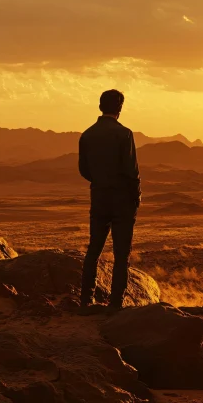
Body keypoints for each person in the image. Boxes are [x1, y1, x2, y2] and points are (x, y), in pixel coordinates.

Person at [78, 89, 141, 313]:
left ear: (99, 106)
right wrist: (136, 195)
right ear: (120, 108)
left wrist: (100, 181)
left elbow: (83, 170)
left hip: (99, 197)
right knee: (121, 253)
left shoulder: (87, 135)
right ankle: (116, 303)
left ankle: (86, 299)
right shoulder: (124, 134)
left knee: (94, 249)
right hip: (122, 200)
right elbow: (131, 171)